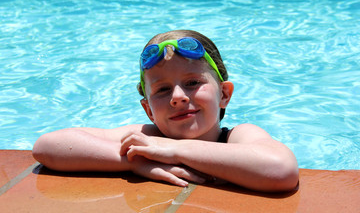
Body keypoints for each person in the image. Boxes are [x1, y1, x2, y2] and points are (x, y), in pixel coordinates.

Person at [32, 30, 299, 192]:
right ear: (148, 110)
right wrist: (137, 161)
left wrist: (175, 151)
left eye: (193, 83)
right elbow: (48, 146)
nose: (178, 98)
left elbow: (282, 171)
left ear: (224, 95)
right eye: (162, 90)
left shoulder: (239, 136)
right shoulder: (148, 137)